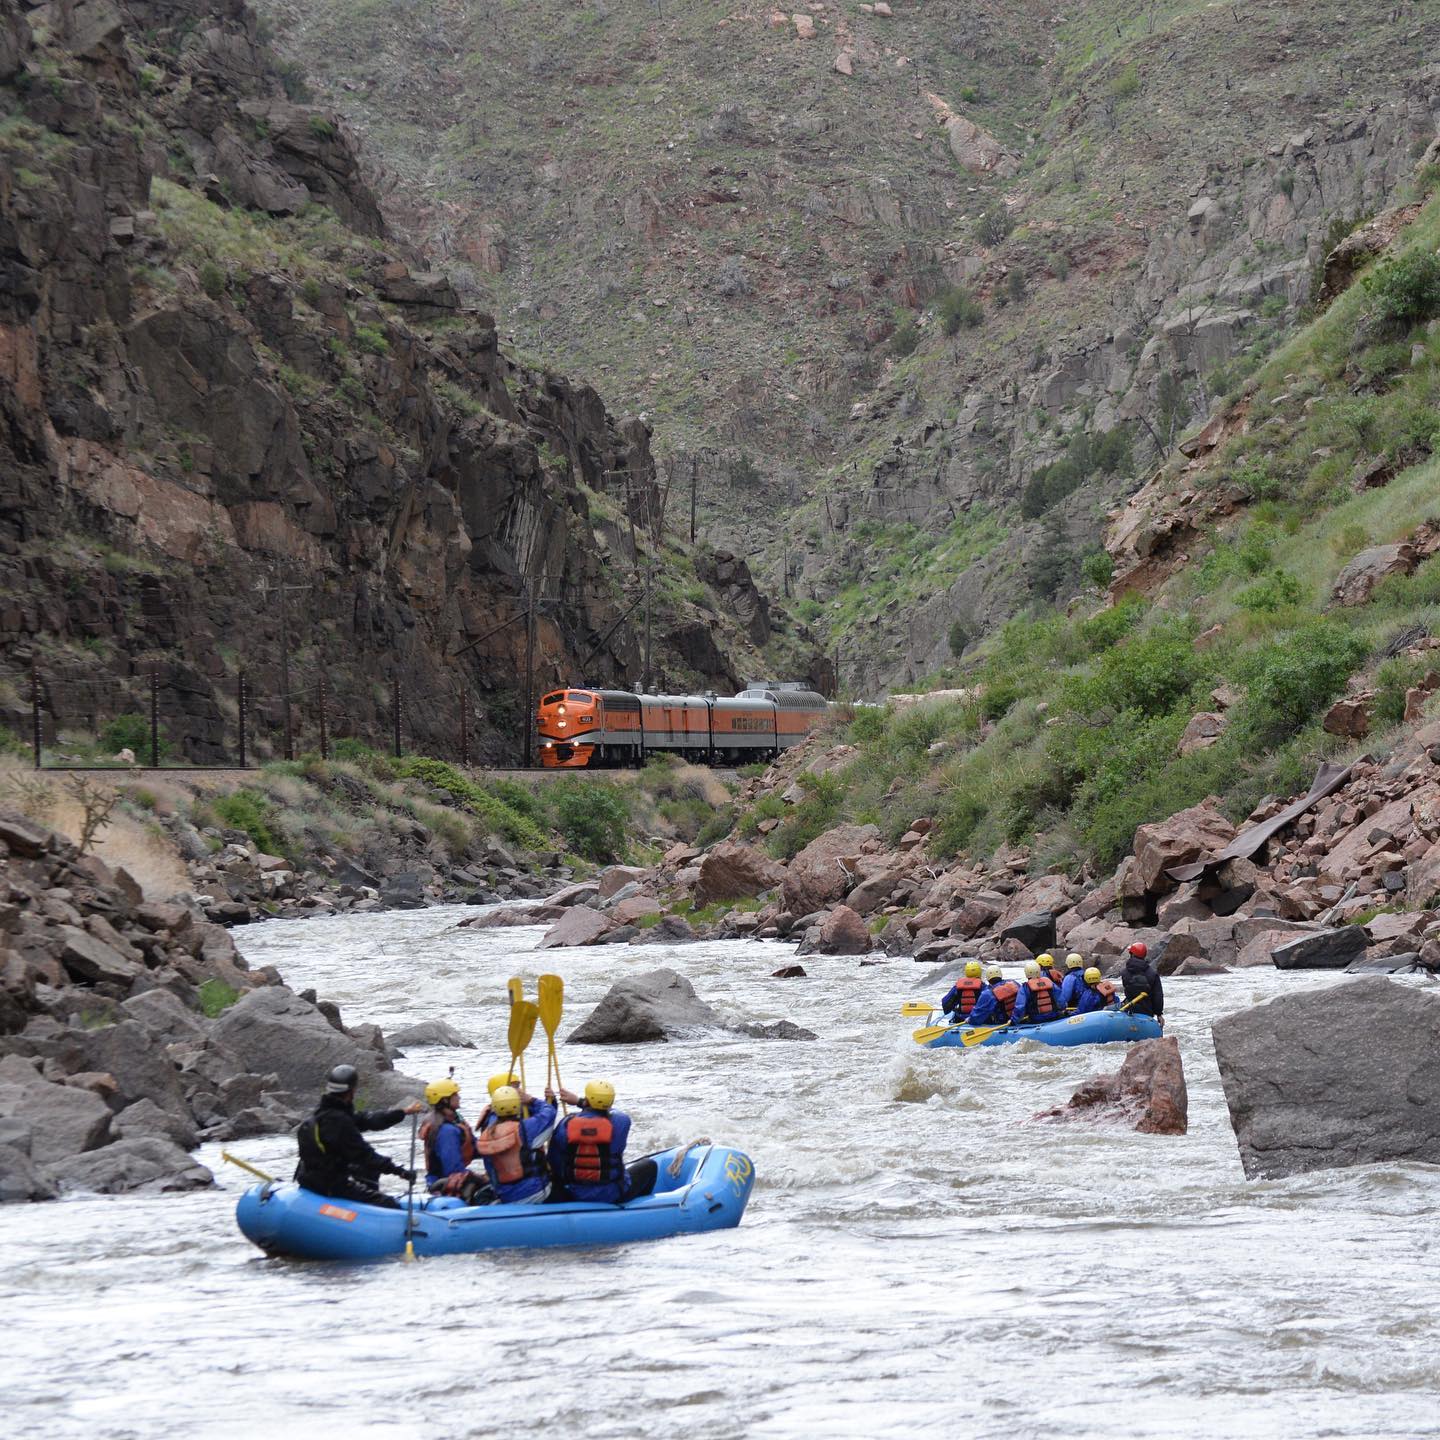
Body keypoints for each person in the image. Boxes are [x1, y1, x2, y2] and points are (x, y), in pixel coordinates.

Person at [294, 1063, 424, 1209]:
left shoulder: (324, 1113)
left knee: (367, 1172)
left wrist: (403, 1112)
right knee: (388, 1203)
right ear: (352, 1091)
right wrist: (399, 1171)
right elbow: (365, 1155)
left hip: (309, 1180)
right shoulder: (339, 1122)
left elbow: (370, 1120)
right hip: (329, 1185)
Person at [549, 1079, 657, 1206]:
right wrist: (579, 1101)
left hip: (575, 1193)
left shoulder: (565, 1124)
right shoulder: (621, 1121)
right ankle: (641, 1209)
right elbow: (611, 1113)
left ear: (588, 1100)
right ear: (611, 1102)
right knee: (650, 1165)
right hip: (613, 1194)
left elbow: (554, 1161)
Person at [471, 1084, 560, 1204]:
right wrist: (531, 1100)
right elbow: (549, 1113)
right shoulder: (524, 1129)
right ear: (517, 1105)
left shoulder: (485, 1135)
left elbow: (491, 1171)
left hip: (506, 1196)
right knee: (561, 1185)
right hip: (535, 1193)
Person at [420, 1077, 477, 1196]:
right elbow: (453, 1170)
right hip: (445, 1185)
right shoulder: (446, 1131)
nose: (459, 1097)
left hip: (444, 1180)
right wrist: (479, 1178)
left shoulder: (451, 1121)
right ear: (445, 1100)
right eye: (455, 1094)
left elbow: (475, 1147)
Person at [963, 964, 1019, 1029]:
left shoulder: (988, 993)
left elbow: (977, 1018)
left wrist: (970, 1020)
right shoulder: (1014, 983)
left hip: (1001, 1023)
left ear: (988, 979)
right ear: (1001, 975)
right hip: (1018, 1019)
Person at [1121, 941, 1164, 1025]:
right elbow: (1158, 996)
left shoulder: (1124, 972)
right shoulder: (1152, 973)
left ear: (1132, 954)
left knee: (1107, 1008)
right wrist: (1159, 1014)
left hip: (1129, 1009)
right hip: (1147, 1012)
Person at [1013, 959, 1062, 1025]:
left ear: (1026, 973)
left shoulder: (1025, 987)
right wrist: (1062, 1010)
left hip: (1036, 1019)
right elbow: (1060, 999)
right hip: (1054, 1016)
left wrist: (1014, 1020)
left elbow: (1020, 1007)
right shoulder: (1049, 981)